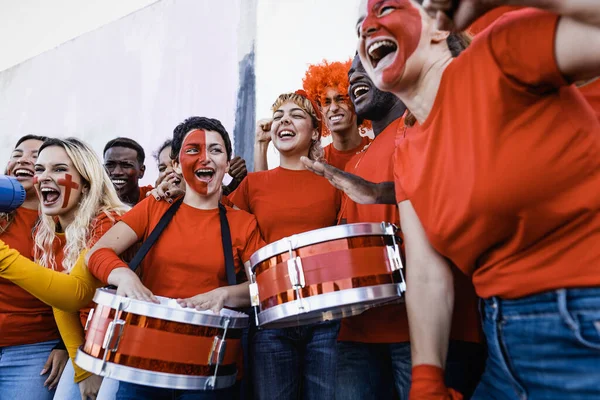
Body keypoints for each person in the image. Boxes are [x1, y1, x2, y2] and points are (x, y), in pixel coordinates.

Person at [308, 1, 600, 398]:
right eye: (360, 26)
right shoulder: (408, 149)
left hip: (584, 322)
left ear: (438, 29)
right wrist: (427, 378)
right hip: (501, 344)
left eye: (386, 8)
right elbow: (427, 273)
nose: (367, 29)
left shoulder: (501, 51)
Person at [335, 54, 484, 400]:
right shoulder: (357, 158)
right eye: (350, 71)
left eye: (368, 61)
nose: (355, 73)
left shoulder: (429, 124)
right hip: (357, 334)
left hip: (427, 334)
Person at [86, 116, 264, 400]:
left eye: (215, 150)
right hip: (141, 359)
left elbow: (265, 285)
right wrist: (124, 276)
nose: (205, 158)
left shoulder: (243, 223)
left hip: (208, 368)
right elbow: (97, 254)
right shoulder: (154, 207)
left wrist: (225, 294)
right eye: (194, 150)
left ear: (227, 164)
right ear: (177, 163)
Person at [229, 91, 341, 400]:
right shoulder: (253, 184)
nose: (284, 120)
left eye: (296, 115)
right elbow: (233, 235)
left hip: (326, 316)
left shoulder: (334, 181)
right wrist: (260, 144)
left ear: (316, 132)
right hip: (271, 316)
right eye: (278, 116)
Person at [0, 137, 129, 399]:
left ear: (85, 182)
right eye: (41, 169)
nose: (44, 177)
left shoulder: (109, 221)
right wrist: (82, 369)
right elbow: (57, 300)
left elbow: (74, 294)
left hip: (128, 346)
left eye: (58, 169)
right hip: (91, 346)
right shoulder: (50, 231)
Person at [0, 134, 70, 400]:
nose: (24, 160)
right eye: (17, 154)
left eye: (35, 158)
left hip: (34, 352)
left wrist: (65, 345)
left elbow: (78, 288)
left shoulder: (64, 219)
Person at [104, 137, 152, 205]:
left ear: (141, 171)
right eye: (110, 165)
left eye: (126, 165)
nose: (117, 172)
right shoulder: (92, 205)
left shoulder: (154, 198)